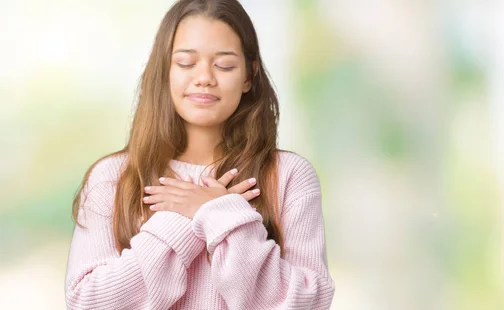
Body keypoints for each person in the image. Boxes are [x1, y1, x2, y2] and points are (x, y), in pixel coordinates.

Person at [64, 0, 335, 309]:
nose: (205, 77)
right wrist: (183, 219)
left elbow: (309, 302)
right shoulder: (113, 177)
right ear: (163, 71)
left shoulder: (289, 175)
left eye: (224, 65)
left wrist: (220, 214)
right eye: (186, 63)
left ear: (249, 75)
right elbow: (88, 302)